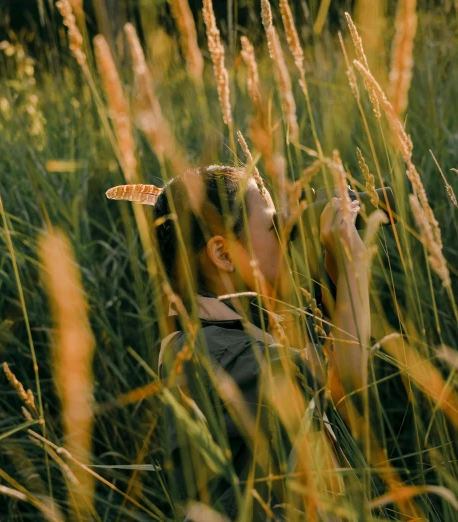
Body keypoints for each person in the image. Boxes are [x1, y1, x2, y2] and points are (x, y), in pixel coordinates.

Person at [153, 165, 370, 520]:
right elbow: (346, 379)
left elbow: (326, 374)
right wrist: (354, 265)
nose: (287, 237)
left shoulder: (209, 340)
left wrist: (335, 265)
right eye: (274, 227)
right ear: (223, 254)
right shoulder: (214, 353)